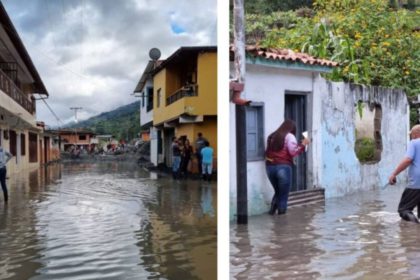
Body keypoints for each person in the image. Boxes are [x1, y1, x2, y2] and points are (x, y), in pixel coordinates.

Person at [265, 119, 310, 215]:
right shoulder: (290, 136)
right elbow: (293, 151)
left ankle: (271, 214)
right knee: (283, 195)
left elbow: (268, 152)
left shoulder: (272, 136)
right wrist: (303, 144)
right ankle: (282, 222)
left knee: (278, 191)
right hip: (283, 168)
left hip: (270, 168)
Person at [388, 124, 420, 223]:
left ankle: (415, 230)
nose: (411, 136)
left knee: (404, 210)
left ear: (416, 134)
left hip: (417, 183)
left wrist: (394, 174)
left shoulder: (414, 143)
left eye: (412, 134)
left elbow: (408, 160)